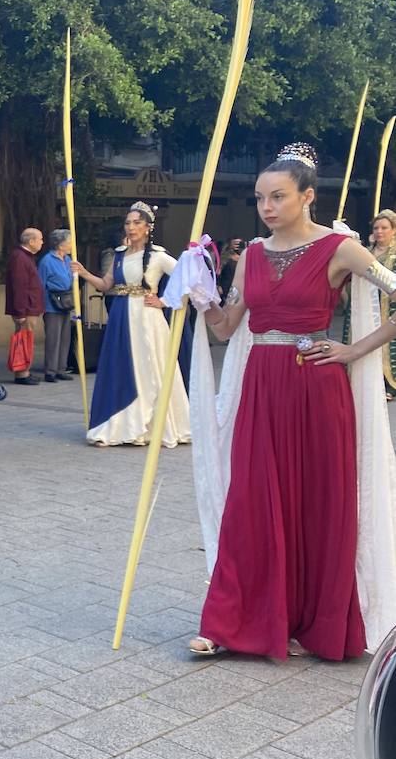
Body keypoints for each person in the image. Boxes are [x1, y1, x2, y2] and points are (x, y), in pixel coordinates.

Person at [186, 143, 396, 660]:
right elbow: (227, 325)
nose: (266, 207)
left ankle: (313, 621)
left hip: (316, 387)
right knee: (249, 503)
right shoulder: (251, 256)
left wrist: (353, 350)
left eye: (277, 196)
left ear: (306, 196)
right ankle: (229, 621)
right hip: (262, 386)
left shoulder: (341, 248)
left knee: (318, 503)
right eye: (260, 198)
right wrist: (201, 294)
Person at [73, 202, 189, 447]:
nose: (131, 227)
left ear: (148, 227)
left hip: (147, 319)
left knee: (149, 368)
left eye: (137, 222)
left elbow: (188, 277)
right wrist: (83, 272)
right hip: (120, 317)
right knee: (122, 367)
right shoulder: (118, 255)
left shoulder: (158, 256)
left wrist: (165, 301)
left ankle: (149, 426)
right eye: (128, 222)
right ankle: (123, 424)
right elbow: (106, 285)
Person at [5, 228, 44, 385]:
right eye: (40, 239)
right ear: (31, 241)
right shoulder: (20, 257)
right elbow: (19, 286)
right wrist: (20, 311)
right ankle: (21, 373)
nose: (42, 242)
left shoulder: (26, 257)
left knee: (26, 338)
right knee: (23, 339)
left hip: (30, 306)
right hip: (26, 308)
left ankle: (25, 370)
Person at [39, 229, 77, 383]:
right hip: (51, 304)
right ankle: (50, 371)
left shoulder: (68, 259)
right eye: (69, 242)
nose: (71, 245)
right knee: (53, 339)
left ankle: (61, 368)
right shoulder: (47, 261)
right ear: (60, 244)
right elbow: (40, 284)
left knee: (65, 337)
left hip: (66, 302)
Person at [369, 211, 396, 399]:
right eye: (376, 228)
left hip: (390, 306)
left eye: (384, 228)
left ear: (393, 230)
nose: (380, 232)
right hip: (369, 305)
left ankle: (390, 385)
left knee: (389, 345)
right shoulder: (365, 253)